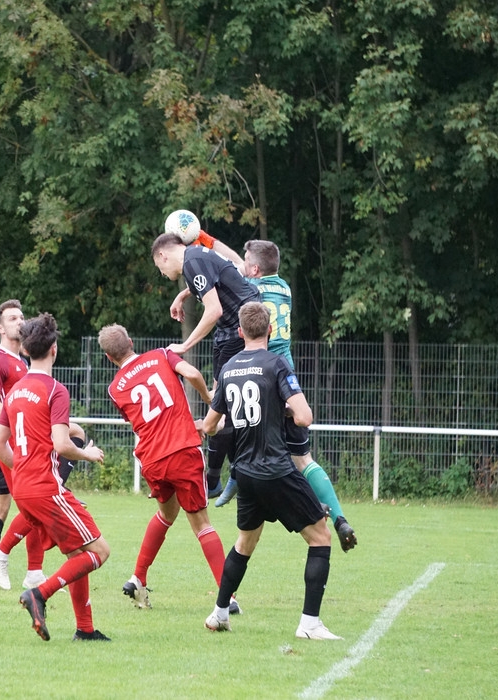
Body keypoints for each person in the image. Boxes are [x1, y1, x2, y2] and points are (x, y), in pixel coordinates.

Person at [199, 301, 340, 639]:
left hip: (245, 472)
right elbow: (304, 417)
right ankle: (309, 624)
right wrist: (283, 408)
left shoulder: (228, 368)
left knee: (245, 541)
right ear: (270, 330)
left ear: (239, 332)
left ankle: (220, 613)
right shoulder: (276, 364)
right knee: (321, 536)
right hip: (276, 469)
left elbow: (209, 426)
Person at [215, 239, 357, 553]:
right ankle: (340, 517)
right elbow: (238, 263)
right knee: (303, 458)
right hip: (286, 375)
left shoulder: (250, 291)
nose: (243, 266)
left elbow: (227, 269)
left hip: (261, 371)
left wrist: (204, 247)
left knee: (235, 424)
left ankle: (230, 478)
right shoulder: (284, 288)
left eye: (247, 262)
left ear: (254, 269)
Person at [98, 323, 236, 613]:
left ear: (109, 358)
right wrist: (211, 403)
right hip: (182, 451)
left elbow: (146, 420)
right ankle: (229, 598)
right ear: (131, 342)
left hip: (152, 459)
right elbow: (193, 374)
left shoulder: (114, 388)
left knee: (167, 513)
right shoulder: (161, 355)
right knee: (202, 524)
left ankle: (138, 578)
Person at [0, 312, 111, 642]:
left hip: (23, 488)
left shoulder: (14, 392)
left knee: (76, 554)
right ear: (54, 349)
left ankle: (85, 630)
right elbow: (62, 444)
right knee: (99, 551)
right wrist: (87, 453)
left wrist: (22, 467)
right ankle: (39, 594)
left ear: (25, 350)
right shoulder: (55, 390)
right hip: (46, 488)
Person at [0, 300, 90, 590]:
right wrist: (30, 421)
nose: (19, 321)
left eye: (21, 317)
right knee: (36, 502)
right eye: (12, 318)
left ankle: (34, 571)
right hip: (13, 443)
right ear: (0, 328)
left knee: (36, 503)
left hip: (26, 442)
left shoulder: (21, 363)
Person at [152, 231, 260, 498]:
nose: (162, 274)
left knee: (220, 409)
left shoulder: (191, 262)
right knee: (218, 404)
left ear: (163, 255)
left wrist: (185, 345)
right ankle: (220, 478)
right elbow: (220, 274)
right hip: (228, 330)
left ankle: (222, 477)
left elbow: (214, 310)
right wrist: (183, 295)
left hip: (237, 329)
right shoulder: (195, 258)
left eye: (159, 268)